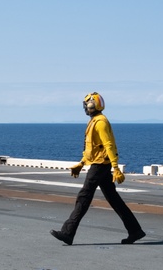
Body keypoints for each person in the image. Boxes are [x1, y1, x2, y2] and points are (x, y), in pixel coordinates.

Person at [50, 92, 146, 245]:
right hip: (99, 163)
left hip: (100, 165)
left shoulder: (100, 122)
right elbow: (93, 149)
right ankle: (135, 231)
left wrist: (116, 167)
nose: (85, 108)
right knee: (114, 199)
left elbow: (108, 145)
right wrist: (81, 163)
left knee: (84, 197)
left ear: (92, 105)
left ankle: (68, 232)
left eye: (86, 105)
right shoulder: (94, 121)